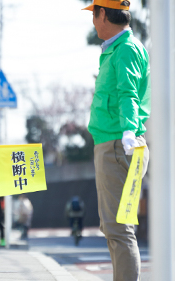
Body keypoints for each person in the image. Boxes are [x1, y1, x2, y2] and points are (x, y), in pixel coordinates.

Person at [82, 0, 150, 280]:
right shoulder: (120, 49)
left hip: (118, 146)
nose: (93, 21)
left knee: (119, 230)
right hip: (115, 145)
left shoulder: (125, 50)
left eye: (94, 14)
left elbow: (128, 95)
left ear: (102, 14)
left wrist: (128, 132)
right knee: (115, 228)